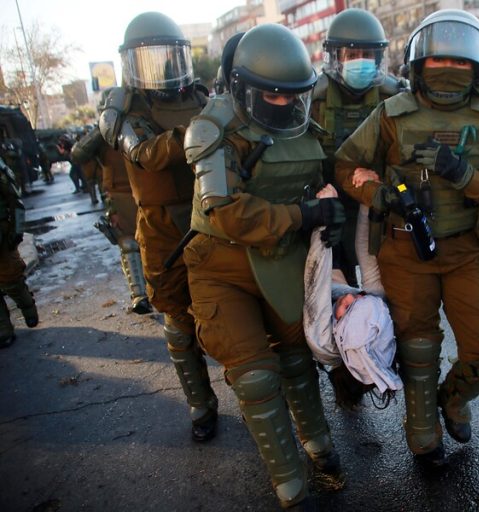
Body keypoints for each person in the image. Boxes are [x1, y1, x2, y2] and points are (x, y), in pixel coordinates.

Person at [335, 9, 479, 467]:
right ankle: (422, 430)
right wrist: (382, 194)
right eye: (441, 60)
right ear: (418, 65)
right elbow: (346, 166)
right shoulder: (391, 114)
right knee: (418, 344)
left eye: (462, 62)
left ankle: (453, 400)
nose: (451, 69)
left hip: (466, 250)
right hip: (405, 250)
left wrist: (463, 174)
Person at [183, 23, 345, 509]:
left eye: (292, 95)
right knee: (255, 373)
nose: (283, 104)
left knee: (298, 360)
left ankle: (318, 446)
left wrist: (328, 215)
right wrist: (303, 215)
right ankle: (289, 482)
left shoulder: (303, 123)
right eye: (270, 94)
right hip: (220, 263)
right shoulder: (211, 129)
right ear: (241, 88)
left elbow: (318, 180)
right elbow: (227, 210)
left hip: (281, 258)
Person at [99, 11, 218, 442]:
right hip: (161, 228)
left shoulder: (202, 96)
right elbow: (146, 153)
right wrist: (200, 131)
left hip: (210, 218)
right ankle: (201, 405)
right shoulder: (124, 107)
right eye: (149, 59)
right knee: (176, 319)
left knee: (228, 308)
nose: (161, 69)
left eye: (167, 57)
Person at [311, 9, 407, 288]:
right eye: (351, 56)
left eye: (367, 55)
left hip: (379, 203)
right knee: (338, 290)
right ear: (335, 58)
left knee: (388, 286)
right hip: (330, 207)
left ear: (378, 58)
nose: (360, 62)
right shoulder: (313, 100)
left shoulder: (395, 96)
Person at [72, 98, 152, 315]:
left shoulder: (143, 121)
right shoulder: (103, 135)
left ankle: (158, 290)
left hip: (150, 191)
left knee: (158, 243)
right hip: (120, 195)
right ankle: (139, 294)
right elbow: (78, 154)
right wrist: (103, 128)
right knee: (128, 244)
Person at [0, 155, 38, 348]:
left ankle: (28, 309)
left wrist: (16, 231)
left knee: (12, 281)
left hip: (2, 234)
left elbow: (15, 202)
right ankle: (4, 329)